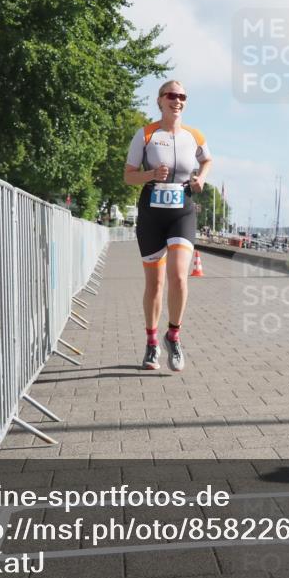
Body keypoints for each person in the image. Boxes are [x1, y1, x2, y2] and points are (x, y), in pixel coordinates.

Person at [124, 80, 212, 371]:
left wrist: (200, 178)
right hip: (151, 214)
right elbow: (128, 176)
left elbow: (207, 159)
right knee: (155, 283)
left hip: (181, 212)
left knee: (178, 277)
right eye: (172, 95)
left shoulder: (194, 135)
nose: (178, 100)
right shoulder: (146, 134)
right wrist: (150, 174)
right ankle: (151, 343)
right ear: (160, 100)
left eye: (182, 96)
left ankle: (173, 335)